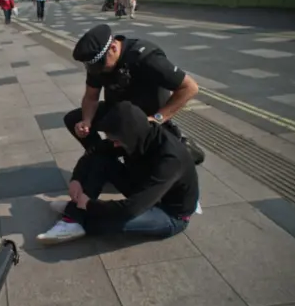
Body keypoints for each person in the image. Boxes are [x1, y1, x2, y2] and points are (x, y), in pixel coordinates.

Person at [37, 101, 199, 243]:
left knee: (110, 222)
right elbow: (95, 151)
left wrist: (90, 205)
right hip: (145, 188)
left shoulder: (170, 159)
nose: (114, 145)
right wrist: (77, 179)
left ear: (129, 136)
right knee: (101, 161)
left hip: (170, 213)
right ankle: (77, 212)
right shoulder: (138, 136)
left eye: (116, 141)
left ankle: (77, 216)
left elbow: (131, 208)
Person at [63, 24, 201, 157]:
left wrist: (158, 118)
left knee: (145, 171)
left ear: (113, 48)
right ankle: (104, 159)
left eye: (101, 65)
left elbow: (190, 87)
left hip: (145, 118)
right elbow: (91, 97)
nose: (100, 71)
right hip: (118, 113)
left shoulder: (146, 58)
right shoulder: (98, 65)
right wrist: (87, 121)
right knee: (73, 119)